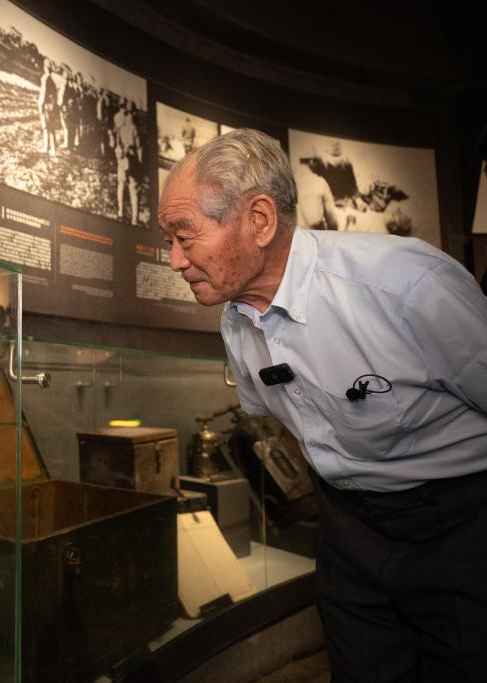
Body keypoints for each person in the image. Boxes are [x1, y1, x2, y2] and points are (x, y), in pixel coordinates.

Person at [157, 128, 487, 682]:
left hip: (460, 527)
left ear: (259, 220)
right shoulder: (237, 324)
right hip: (348, 531)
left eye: (184, 237)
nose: (174, 261)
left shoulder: (406, 284)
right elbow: (286, 420)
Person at [113, 100, 143, 225]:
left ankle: (120, 213)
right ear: (134, 113)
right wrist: (140, 164)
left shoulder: (121, 127)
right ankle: (134, 219)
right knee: (133, 190)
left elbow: (116, 144)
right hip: (133, 163)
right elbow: (139, 148)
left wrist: (119, 158)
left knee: (121, 186)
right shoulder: (135, 129)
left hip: (122, 161)